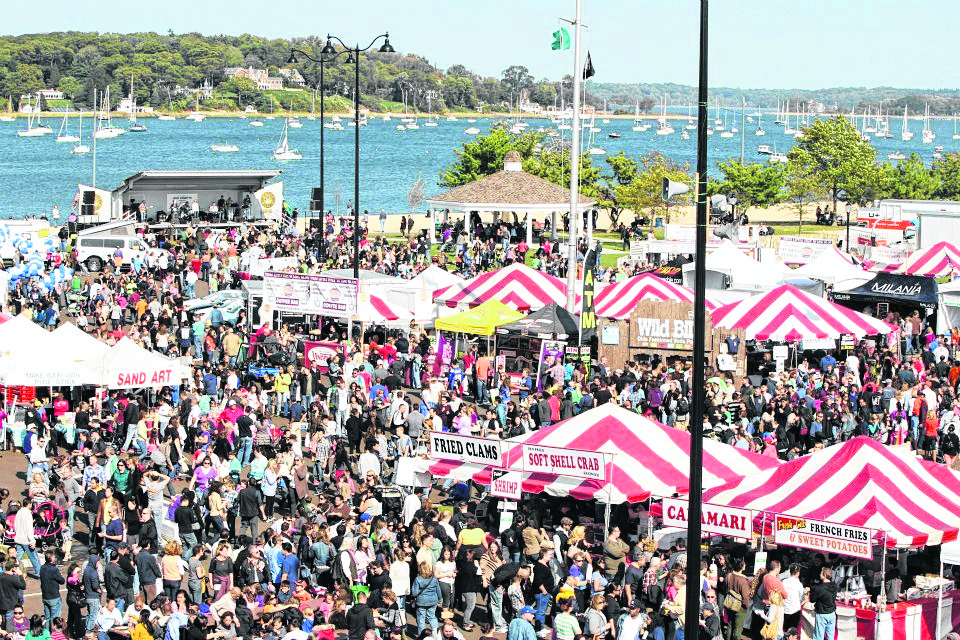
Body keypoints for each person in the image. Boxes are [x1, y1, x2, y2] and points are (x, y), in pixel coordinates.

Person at [807, 568, 837, 640]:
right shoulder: (834, 586)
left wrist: (809, 592)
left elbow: (812, 599)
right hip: (832, 613)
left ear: (824, 575)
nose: (820, 574)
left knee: (819, 636)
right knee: (830, 636)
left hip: (822, 614)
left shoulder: (819, 588)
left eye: (821, 573)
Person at [39, 551, 64, 630]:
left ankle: (47, 634)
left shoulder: (42, 568)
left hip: (45, 596)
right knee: (55, 618)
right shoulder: (53, 569)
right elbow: (62, 580)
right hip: (53, 596)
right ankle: (53, 636)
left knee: (47, 617)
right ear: (51, 558)